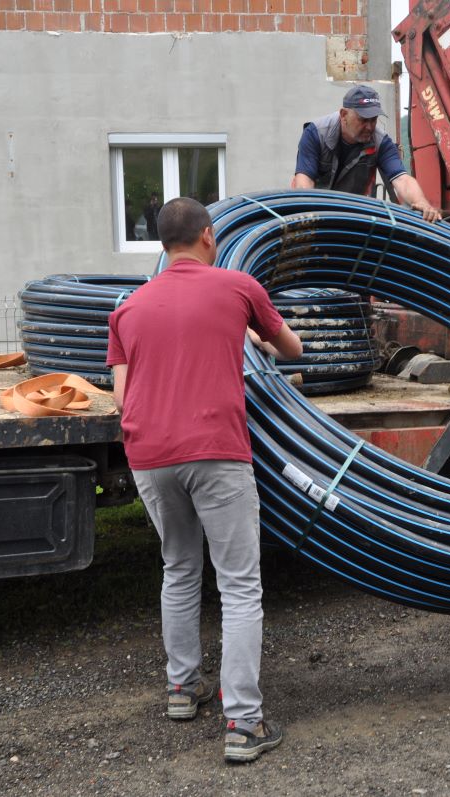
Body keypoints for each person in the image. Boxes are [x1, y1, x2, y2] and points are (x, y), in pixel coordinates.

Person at [106, 197, 303, 762]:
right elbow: (292, 348)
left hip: (150, 455)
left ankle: (181, 688)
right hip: (215, 450)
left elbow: (121, 397)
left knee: (179, 567)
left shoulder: (128, 310)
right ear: (209, 237)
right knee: (238, 585)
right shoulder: (237, 287)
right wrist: (254, 337)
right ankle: (243, 722)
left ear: (162, 245)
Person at [291, 84, 443, 222]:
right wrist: (308, 215)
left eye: (374, 120)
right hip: (316, 210)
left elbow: (402, 179)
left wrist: (421, 202)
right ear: (344, 115)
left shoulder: (381, 142)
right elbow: (304, 182)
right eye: (363, 120)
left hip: (352, 214)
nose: (370, 127)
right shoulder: (316, 133)